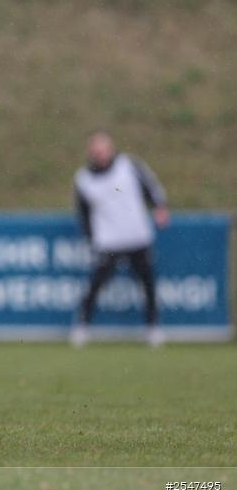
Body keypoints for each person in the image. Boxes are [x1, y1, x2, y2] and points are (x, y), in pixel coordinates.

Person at [72, 131, 170, 347]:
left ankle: (153, 327)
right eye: (96, 152)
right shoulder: (84, 179)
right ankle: (82, 326)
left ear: (111, 149)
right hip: (108, 241)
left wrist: (160, 207)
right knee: (95, 285)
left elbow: (151, 187)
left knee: (147, 284)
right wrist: (91, 238)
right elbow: (83, 213)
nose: (100, 155)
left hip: (137, 236)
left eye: (103, 150)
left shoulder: (129, 165)